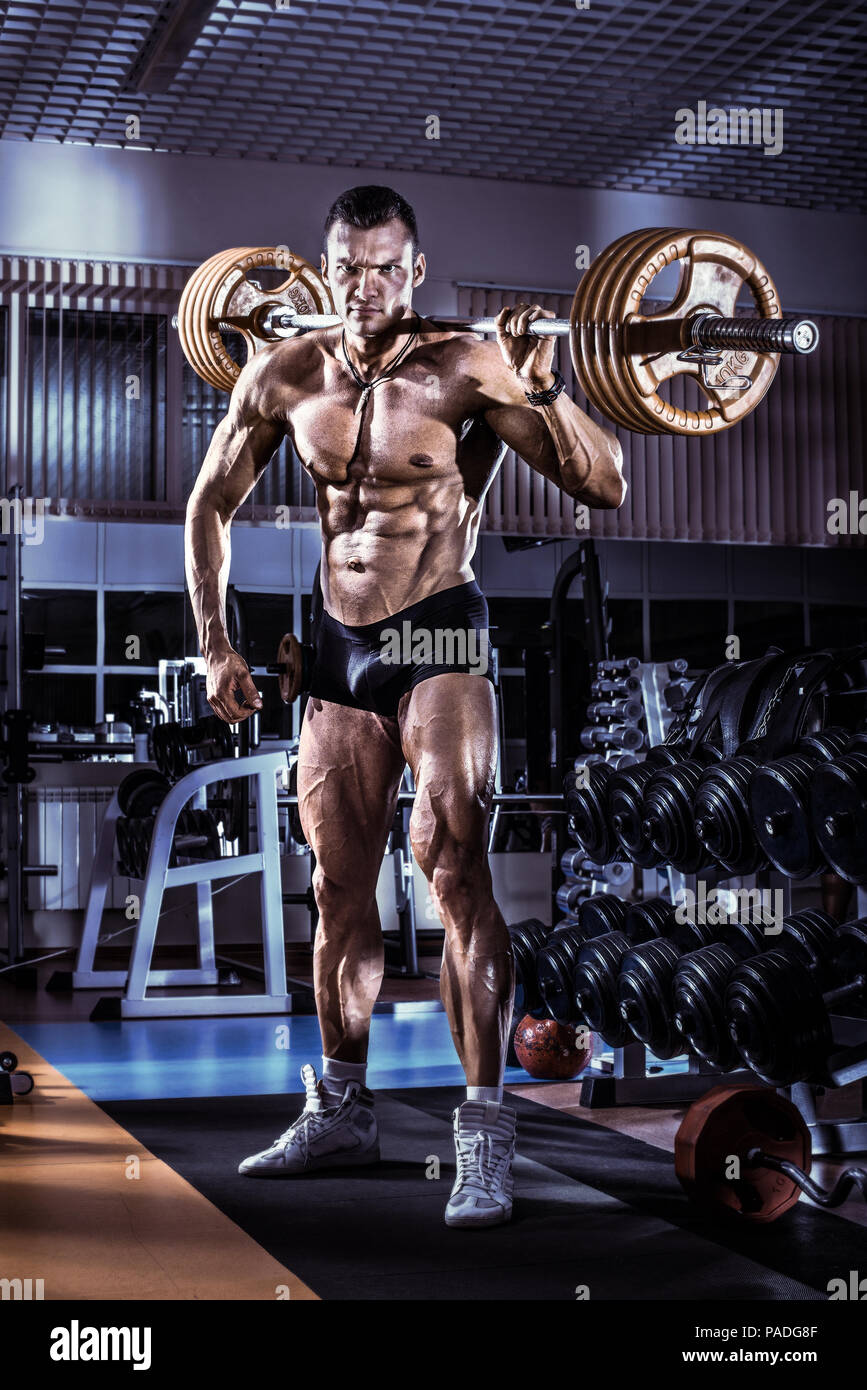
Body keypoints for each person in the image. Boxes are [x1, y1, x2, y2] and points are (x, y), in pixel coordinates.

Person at [185, 185, 625, 1228]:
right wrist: (215, 645)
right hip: (337, 645)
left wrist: (550, 391)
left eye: (386, 267)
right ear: (323, 266)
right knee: (338, 890)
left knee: (452, 862)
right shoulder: (285, 370)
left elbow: (604, 485)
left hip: (436, 632)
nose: (367, 285)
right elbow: (210, 500)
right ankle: (342, 1109)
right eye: (349, 265)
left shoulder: (467, 363)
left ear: (415, 270)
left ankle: (482, 1135)